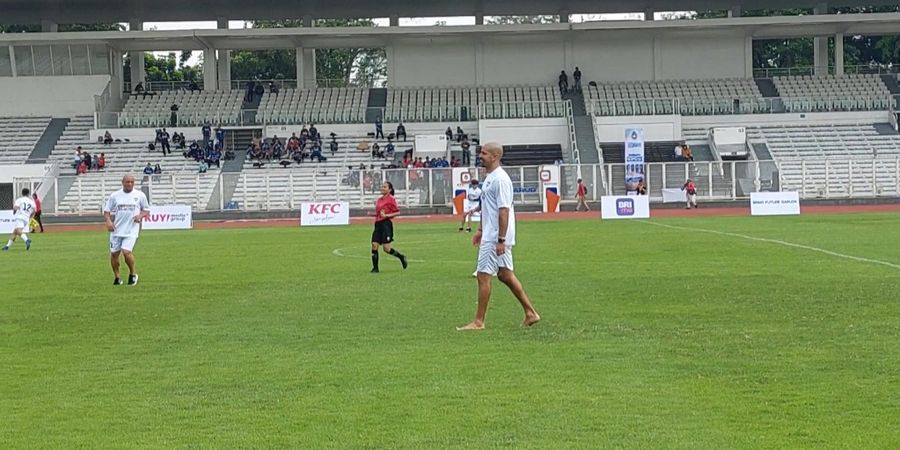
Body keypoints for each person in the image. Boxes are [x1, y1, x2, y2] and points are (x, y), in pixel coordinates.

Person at [457, 143, 540, 331]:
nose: (480, 156)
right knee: (504, 274)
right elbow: (489, 207)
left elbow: (504, 211)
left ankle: (478, 321)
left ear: (495, 156)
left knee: (483, 275)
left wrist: (500, 239)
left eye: (484, 153)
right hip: (491, 233)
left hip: (495, 236)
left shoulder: (500, 180)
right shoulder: (489, 178)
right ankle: (530, 313)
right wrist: (480, 229)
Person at [103, 175, 150, 286]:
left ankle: (133, 274)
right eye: (127, 182)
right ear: (122, 182)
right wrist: (109, 222)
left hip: (131, 229)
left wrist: (140, 216)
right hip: (117, 229)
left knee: (126, 252)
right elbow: (106, 211)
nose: (129, 184)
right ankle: (117, 277)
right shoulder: (115, 196)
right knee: (114, 254)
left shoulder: (140, 195)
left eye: (131, 182)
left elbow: (146, 210)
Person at [370, 181, 408, 273]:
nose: (382, 188)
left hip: (386, 224)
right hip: (378, 224)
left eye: (384, 187)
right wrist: (373, 214)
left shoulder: (391, 199)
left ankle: (401, 257)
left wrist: (387, 215)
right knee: (374, 245)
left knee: (386, 249)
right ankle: (375, 268)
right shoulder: (379, 200)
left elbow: (397, 212)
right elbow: (379, 213)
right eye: (382, 186)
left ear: (389, 189)